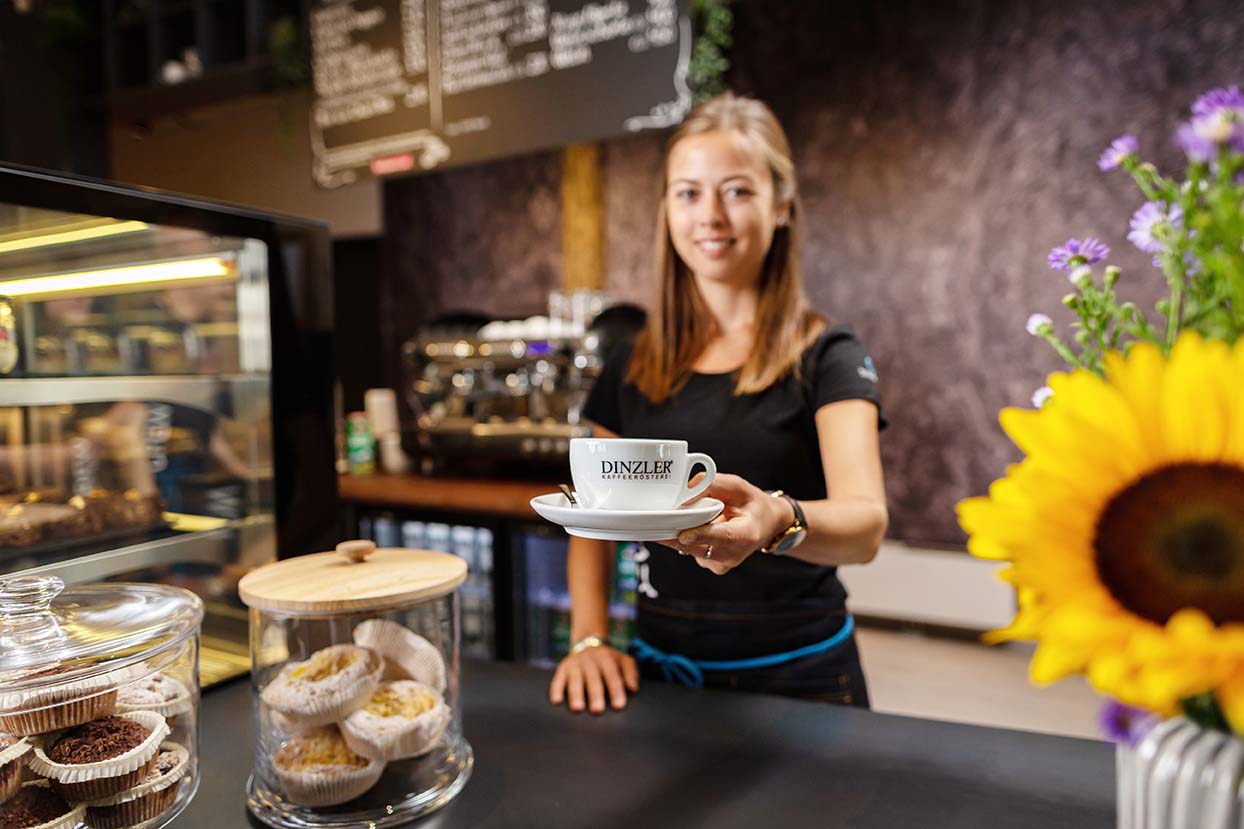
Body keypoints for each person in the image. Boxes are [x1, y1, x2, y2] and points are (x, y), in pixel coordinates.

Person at [548, 92, 889, 714]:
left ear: (781, 206)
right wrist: (589, 638)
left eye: (736, 191)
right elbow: (592, 521)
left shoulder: (829, 353)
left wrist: (776, 521)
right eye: (688, 192)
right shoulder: (631, 359)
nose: (710, 215)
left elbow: (865, 526)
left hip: (802, 681)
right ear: (667, 210)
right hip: (659, 677)